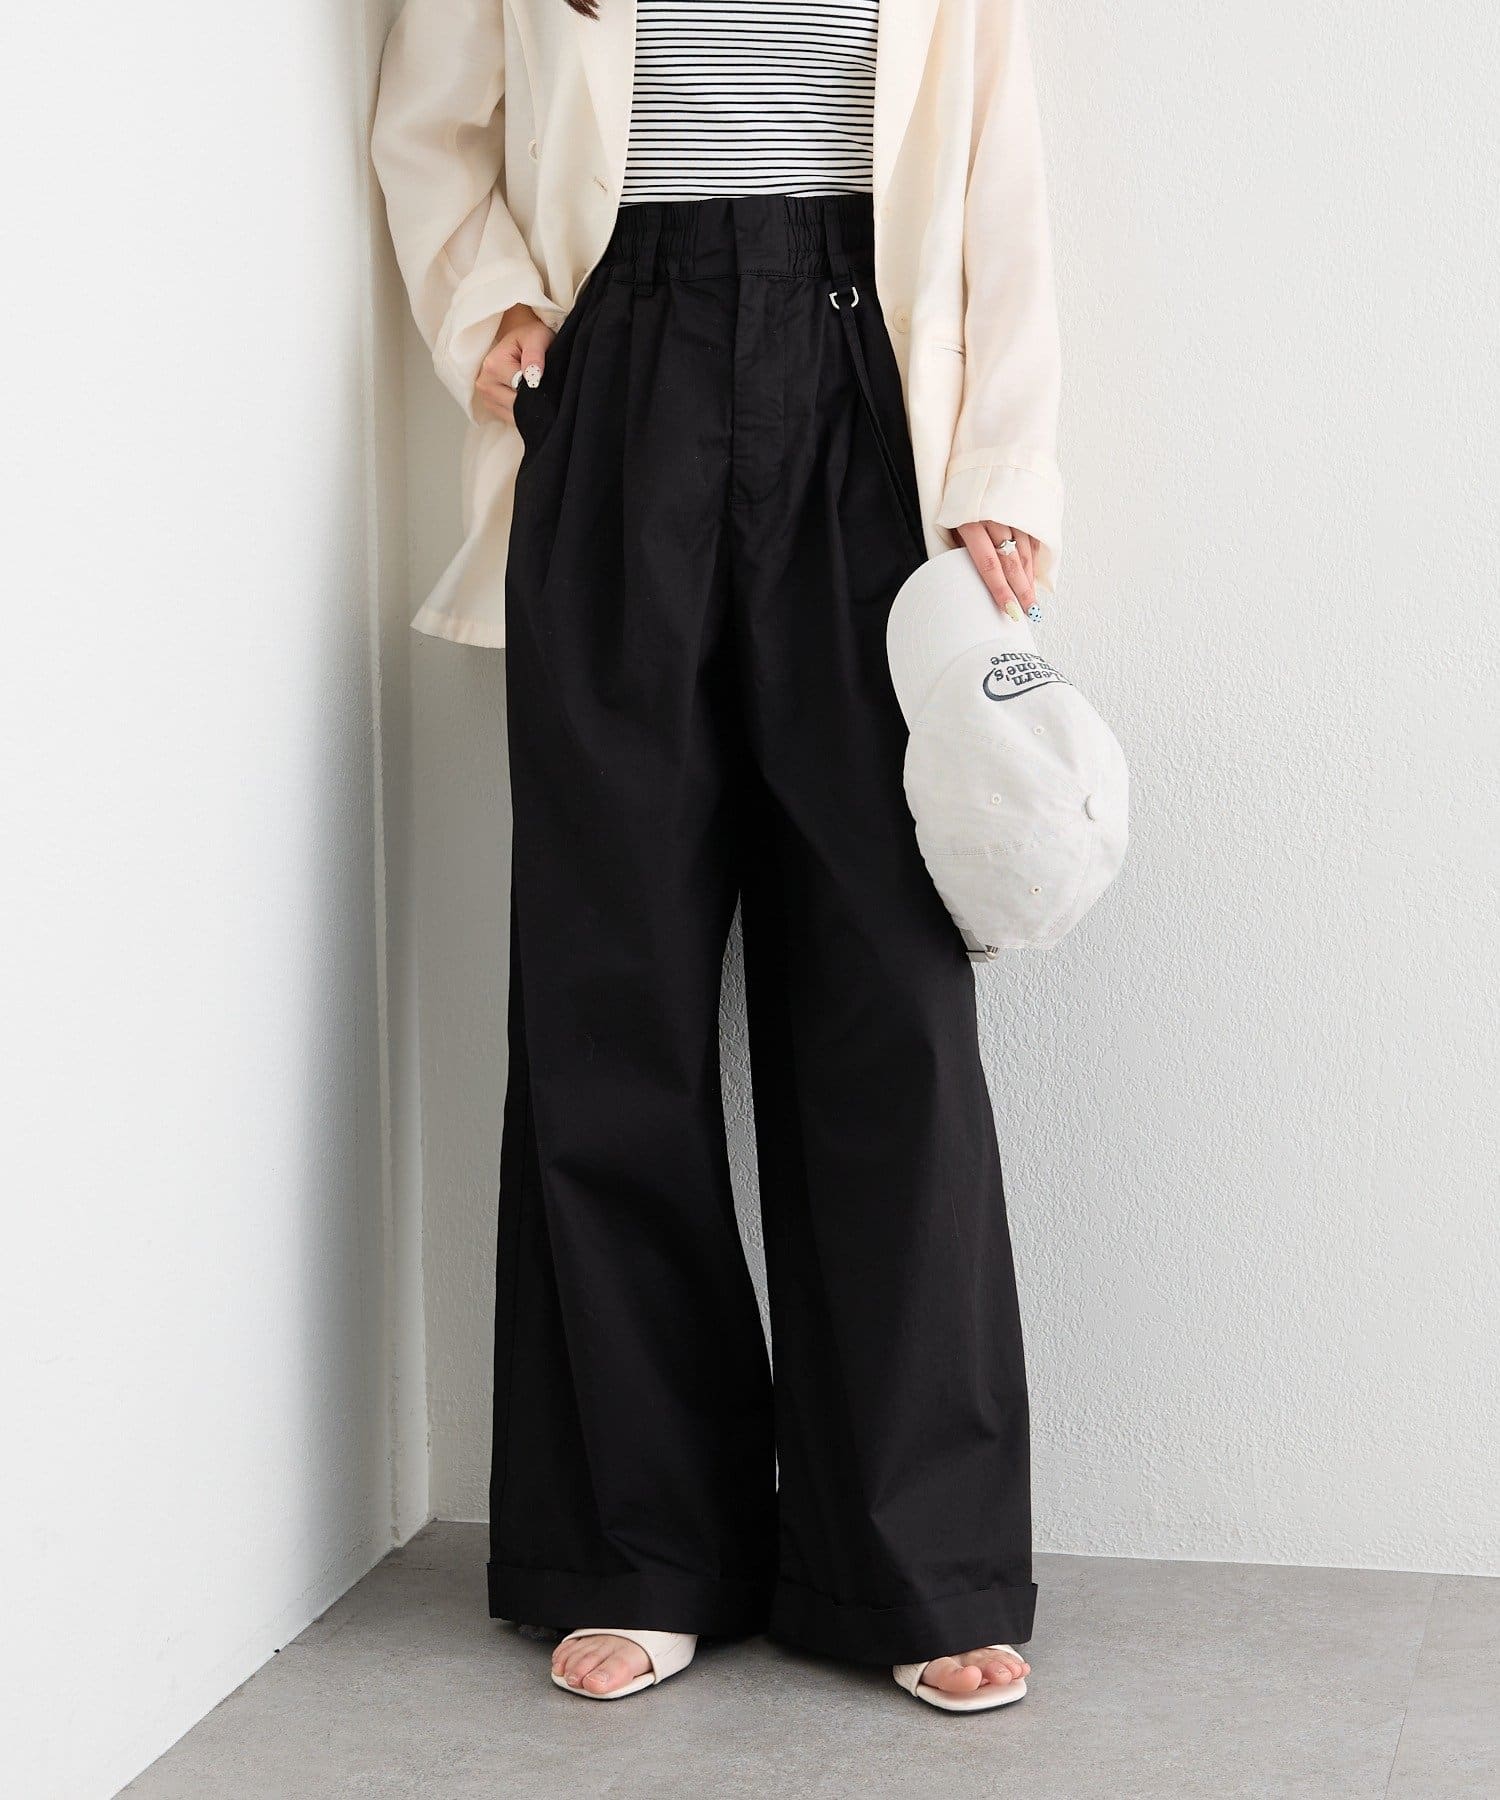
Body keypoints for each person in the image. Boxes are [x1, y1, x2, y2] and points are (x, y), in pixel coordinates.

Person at [373, 0, 1061, 1712]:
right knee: (612, 982)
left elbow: (995, 166)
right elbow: (432, 121)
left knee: (890, 997)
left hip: (867, 395)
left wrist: (1003, 461)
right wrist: (494, 311)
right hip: (623, 373)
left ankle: (915, 1561)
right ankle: (642, 1545)